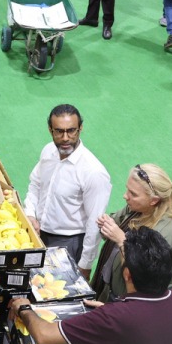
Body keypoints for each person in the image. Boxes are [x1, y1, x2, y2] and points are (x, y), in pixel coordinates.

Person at [12, 227, 172, 344]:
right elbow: (155, 332)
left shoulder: (115, 318)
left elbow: (45, 335)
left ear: (127, 274)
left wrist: (23, 307)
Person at [23, 104, 112, 276]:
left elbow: (94, 223)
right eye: (59, 131)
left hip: (68, 244)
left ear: (80, 129)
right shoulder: (48, 151)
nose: (65, 138)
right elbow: (36, 184)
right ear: (50, 130)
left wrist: (85, 265)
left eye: (71, 131)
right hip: (37, 233)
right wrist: (30, 214)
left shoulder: (93, 172)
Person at [92, 163, 172, 301]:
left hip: (133, 305)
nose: (125, 196)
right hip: (109, 292)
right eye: (128, 189)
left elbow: (147, 278)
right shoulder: (138, 208)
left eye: (133, 194)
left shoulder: (170, 234)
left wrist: (122, 240)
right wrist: (106, 224)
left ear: (154, 200)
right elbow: (114, 225)